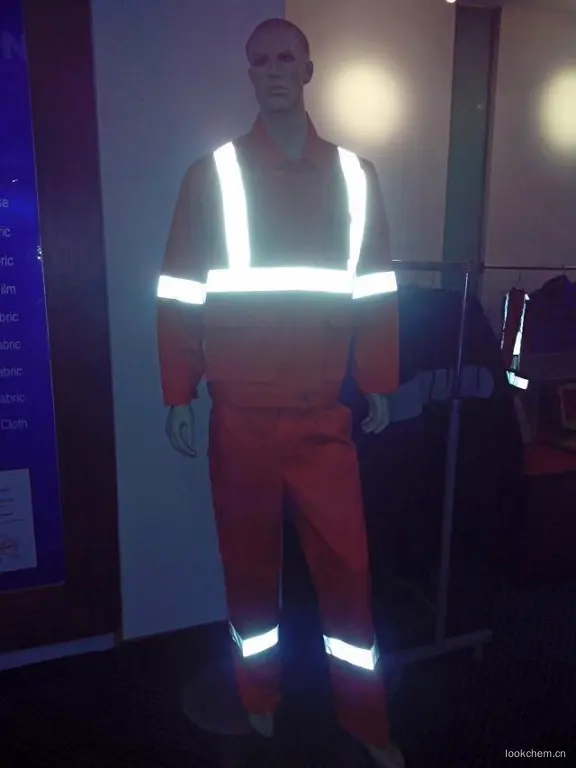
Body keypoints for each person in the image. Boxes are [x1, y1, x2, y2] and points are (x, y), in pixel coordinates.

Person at [157, 17, 403, 768]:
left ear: (308, 69)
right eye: (259, 60)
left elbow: (376, 286)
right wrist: (178, 388)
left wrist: (378, 378)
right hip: (240, 417)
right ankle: (258, 697)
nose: (272, 70)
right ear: (250, 73)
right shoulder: (213, 174)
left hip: (322, 414)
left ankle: (366, 720)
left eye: (285, 58)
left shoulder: (356, 177)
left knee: (349, 570)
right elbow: (179, 289)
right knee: (249, 565)